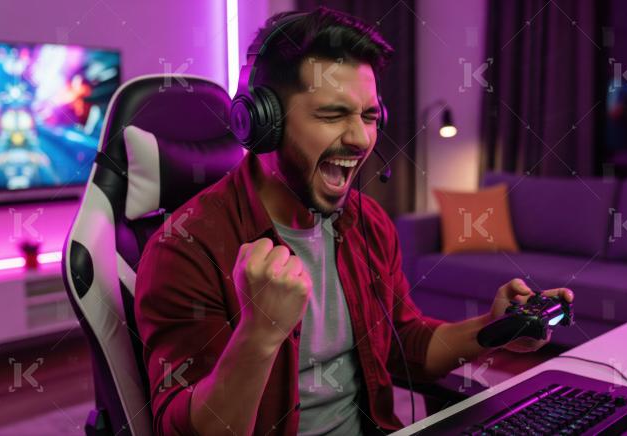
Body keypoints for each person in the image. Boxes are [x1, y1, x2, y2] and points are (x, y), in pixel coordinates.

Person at [134, 7, 574, 436]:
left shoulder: (368, 223)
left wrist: (494, 329)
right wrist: (260, 333)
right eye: (332, 115)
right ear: (264, 123)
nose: (361, 139)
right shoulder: (186, 247)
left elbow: (407, 345)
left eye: (369, 116)